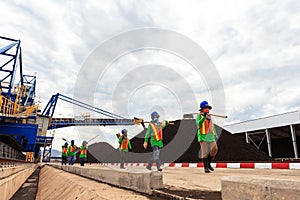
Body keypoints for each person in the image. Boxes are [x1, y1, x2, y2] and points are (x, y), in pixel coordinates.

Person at [196, 101, 218, 173]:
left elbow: (212, 125)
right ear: (202, 109)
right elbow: (198, 124)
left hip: (210, 135)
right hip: (203, 135)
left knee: (214, 149)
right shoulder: (199, 115)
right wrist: (203, 117)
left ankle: (209, 163)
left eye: (208, 108)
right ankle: (206, 167)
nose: (208, 109)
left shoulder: (210, 116)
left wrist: (215, 134)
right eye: (206, 108)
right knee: (204, 151)